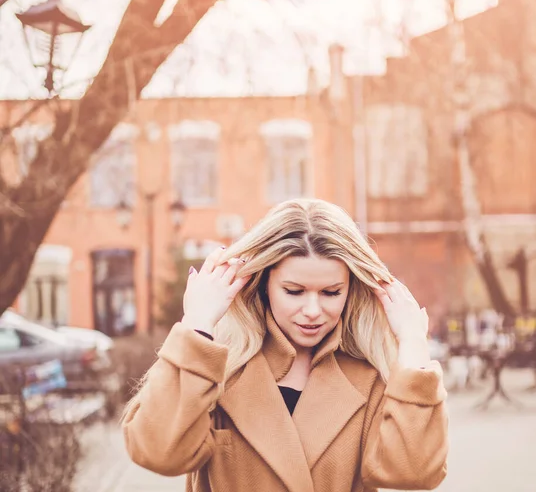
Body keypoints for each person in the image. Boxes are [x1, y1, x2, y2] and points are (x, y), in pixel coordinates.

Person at [122, 199, 448, 492]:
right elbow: (157, 451)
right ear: (264, 284)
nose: (312, 311)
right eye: (294, 291)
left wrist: (412, 342)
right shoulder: (216, 368)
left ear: (351, 290)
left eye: (331, 292)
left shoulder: (371, 376)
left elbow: (416, 472)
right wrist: (198, 321)